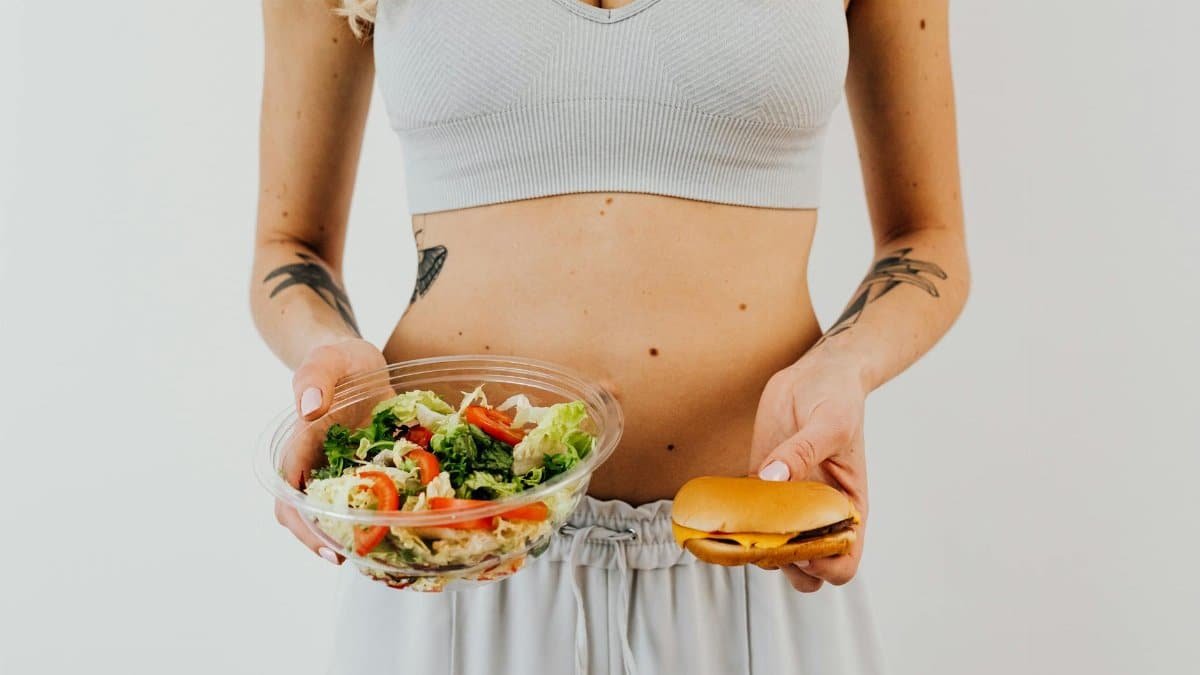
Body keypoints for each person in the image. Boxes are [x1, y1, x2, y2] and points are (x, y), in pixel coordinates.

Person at [250, 0, 968, 673]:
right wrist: (332, 357)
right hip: (450, 561)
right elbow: (291, 246)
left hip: (754, 557)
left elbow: (926, 236)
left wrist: (845, 366)